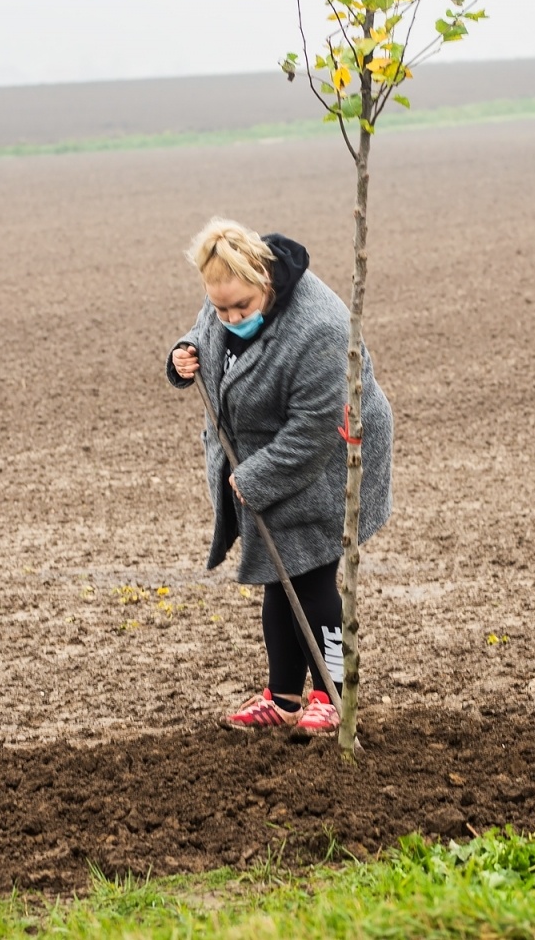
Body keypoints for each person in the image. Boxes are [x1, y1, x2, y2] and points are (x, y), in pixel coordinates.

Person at [166, 217, 393, 733]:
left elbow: (315, 427)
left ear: (265, 281)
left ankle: (334, 698)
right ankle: (284, 697)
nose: (229, 317)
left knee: (311, 576)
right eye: (219, 307)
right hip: (267, 448)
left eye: (240, 308)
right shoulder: (228, 289)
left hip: (333, 454)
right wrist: (184, 355)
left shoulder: (320, 329)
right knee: (276, 573)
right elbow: (205, 338)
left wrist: (257, 477)